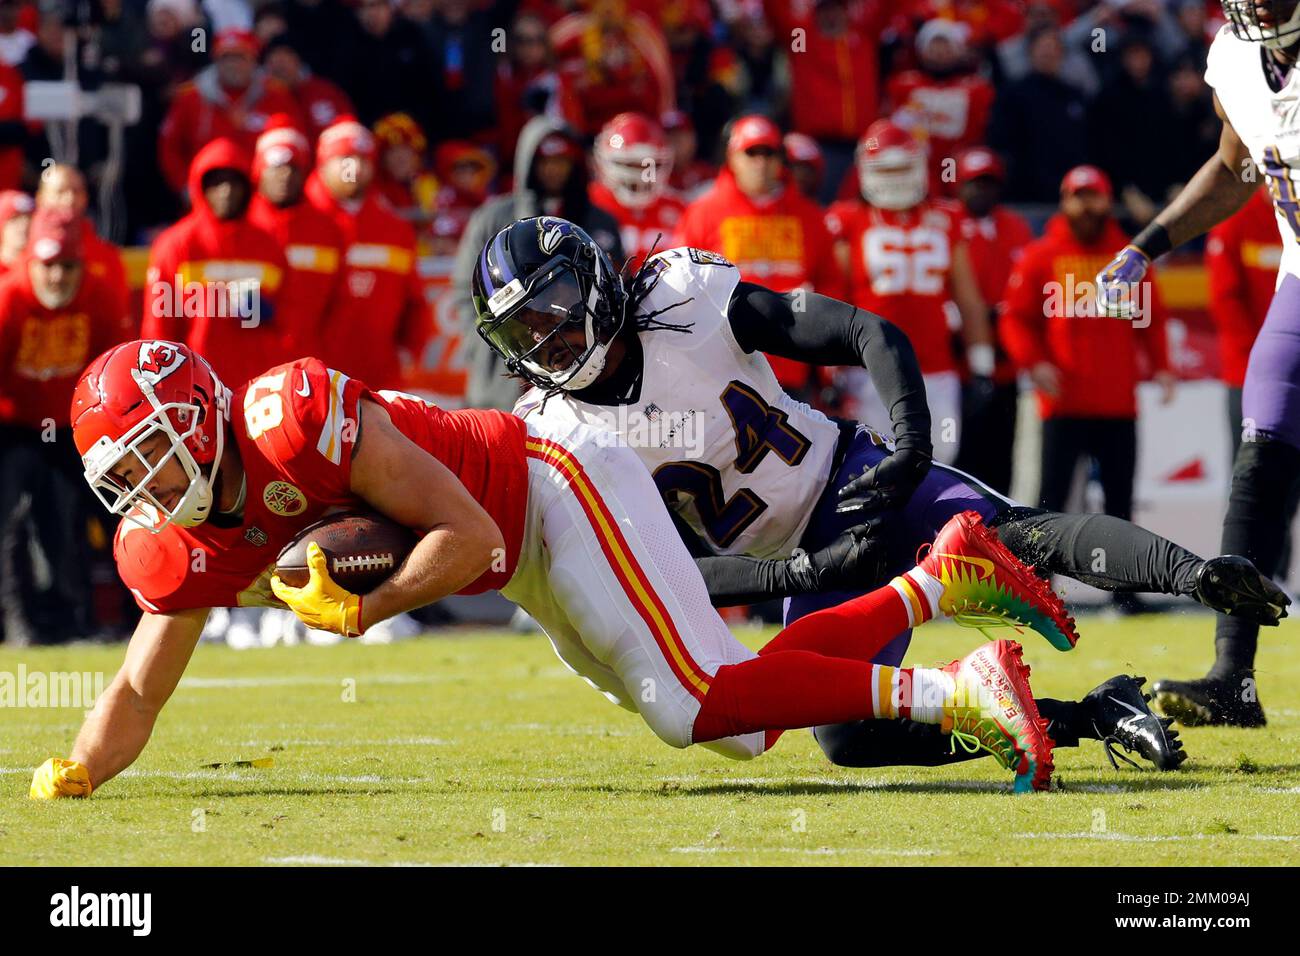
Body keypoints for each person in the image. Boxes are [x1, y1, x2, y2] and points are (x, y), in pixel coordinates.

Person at [32, 331, 1086, 799]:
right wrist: (83, 765)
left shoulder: (293, 421)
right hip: (515, 551)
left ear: (198, 418)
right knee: (747, 723)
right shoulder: (184, 536)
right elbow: (136, 681)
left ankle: (957, 688)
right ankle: (938, 582)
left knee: (692, 700)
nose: (140, 491)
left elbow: (467, 540)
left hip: (541, 481)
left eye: (147, 457)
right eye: (122, 476)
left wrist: (373, 607)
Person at [472, 217, 1287, 771]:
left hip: (858, 481)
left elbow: (867, 332)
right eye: (522, 333)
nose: (548, 339)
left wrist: (908, 453)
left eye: (554, 310)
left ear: (595, 283)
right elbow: (659, 579)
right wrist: (798, 575)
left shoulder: (684, 298)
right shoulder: (560, 432)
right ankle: (1094, 715)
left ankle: (1195, 574)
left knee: (1015, 537)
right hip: (804, 562)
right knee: (846, 738)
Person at [1094, 2, 1300, 724]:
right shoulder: (1235, 60)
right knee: (1262, 455)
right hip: (1299, 281)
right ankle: (1232, 679)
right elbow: (1234, 166)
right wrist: (1148, 242)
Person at [1003, 165, 1177, 544]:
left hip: (1117, 403)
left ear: (1107, 201)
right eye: (1078, 198)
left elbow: (1153, 319)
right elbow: (1015, 318)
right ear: (1064, 202)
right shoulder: (1040, 256)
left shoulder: (1129, 260)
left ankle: (1124, 594)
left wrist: (1163, 367)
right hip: (1062, 403)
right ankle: (1037, 587)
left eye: (1093, 197)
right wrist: (1034, 363)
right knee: (1049, 502)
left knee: (1120, 504)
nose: (1086, 207)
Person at [826, 120, 994, 464]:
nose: (896, 178)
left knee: (941, 458)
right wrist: (830, 369)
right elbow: (833, 299)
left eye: (903, 167)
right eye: (886, 169)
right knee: (873, 459)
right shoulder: (848, 219)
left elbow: (968, 298)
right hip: (868, 366)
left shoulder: (948, 218)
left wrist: (981, 365)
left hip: (933, 365)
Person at [0, 210, 130, 644]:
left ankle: (84, 618)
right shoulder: (9, 299)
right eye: (48, 265)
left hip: (76, 427)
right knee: (11, 517)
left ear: (82, 265)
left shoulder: (100, 297)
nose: (57, 276)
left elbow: (115, 376)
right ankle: (19, 622)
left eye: (67, 266)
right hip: (13, 425)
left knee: (81, 512)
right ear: (31, 263)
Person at [454, 116, 623, 411]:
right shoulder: (492, 217)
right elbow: (466, 292)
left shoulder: (601, 222)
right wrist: (493, 348)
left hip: (583, 365)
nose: (554, 169)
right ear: (528, 162)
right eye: (545, 160)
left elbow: (614, 285)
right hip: (504, 376)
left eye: (562, 160)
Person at [676, 114, 844, 400]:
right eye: (751, 153)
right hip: (725, 365)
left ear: (781, 159)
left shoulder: (810, 216)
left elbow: (831, 283)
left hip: (794, 363)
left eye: (769, 153)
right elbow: (683, 285)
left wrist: (826, 347)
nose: (761, 163)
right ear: (732, 158)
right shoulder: (702, 214)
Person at [142, 137, 299, 388]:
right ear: (201, 187)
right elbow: (158, 325)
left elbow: (292, 317)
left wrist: (268, 314)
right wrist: (162, 382)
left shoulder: (268, 246)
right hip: (196, 382)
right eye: (216, 183)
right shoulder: (176, 245)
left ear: (248, 187)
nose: (226, 191)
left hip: (257, 383)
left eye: (234, 182)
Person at [304, 117, 431, 391]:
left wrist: (410, 350)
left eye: (364, 159)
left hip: (378, 381)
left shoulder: (394, 229)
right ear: (323, 163)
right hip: (308, 383)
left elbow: (415, 302)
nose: (356, 168)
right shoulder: (295, 223)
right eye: (346, 159)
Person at [951, 147, 1033, 496]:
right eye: (974, 183)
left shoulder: (1014, 227)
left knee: (1002, 461)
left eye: (988, 183)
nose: (981, 190)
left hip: (1005, 363)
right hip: (959, 365)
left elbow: (1029, 285)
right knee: (960, 457)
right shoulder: (949, 224)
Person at [158, 29, 306, 198]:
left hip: (264, 198)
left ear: (254, 60)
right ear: (215, 60)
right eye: (226, 57)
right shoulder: (190, 97)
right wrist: (186, 188)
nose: (233, 64)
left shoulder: (277, 96)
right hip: (208, 197)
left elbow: (297, 144)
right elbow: (169, 147)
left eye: (240, 57)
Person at [589, 112, 686, 271]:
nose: (640, 174)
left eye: (648, 165)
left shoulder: (680, 210)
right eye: (629, 164)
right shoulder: (589, 203)